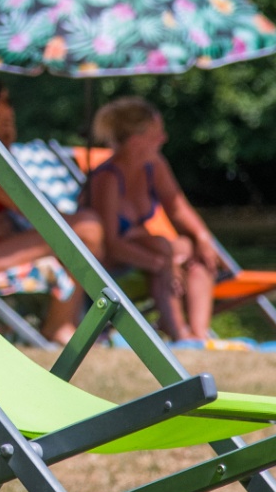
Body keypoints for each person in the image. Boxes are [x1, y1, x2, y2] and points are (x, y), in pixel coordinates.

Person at [0, 79, 102, 344]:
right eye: (6, 102)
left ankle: (70, 322)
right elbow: (27, 206)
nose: (11, 111)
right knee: (86, 229)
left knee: (83, 227)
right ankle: (60, 326)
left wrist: (7, 144)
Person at [82, 97, 220, 345]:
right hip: (110, 263)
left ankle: (200, 337)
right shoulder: (107, 179)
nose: (164, 138)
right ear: (136, 141)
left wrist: (202, 237)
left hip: (140, 249)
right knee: (162, 254)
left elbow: (177, 207)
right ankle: (180, 335)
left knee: (196, 254)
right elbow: (111, 244)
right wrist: (163, 263)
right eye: (157, 133)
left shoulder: (153, 166)